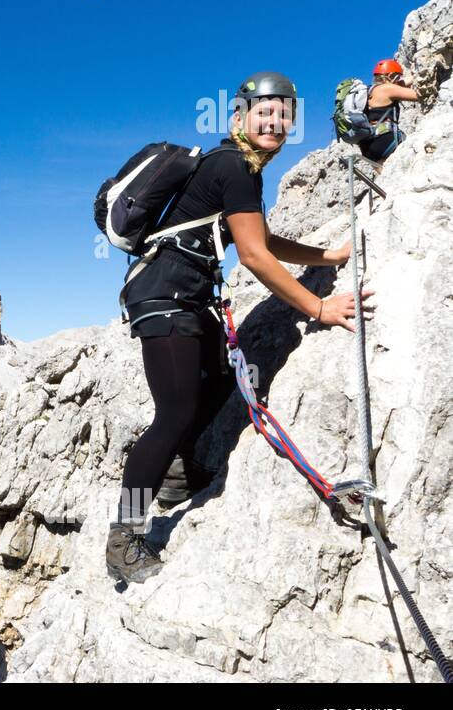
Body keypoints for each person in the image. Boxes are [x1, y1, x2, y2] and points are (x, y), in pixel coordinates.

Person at [106, 71, 376, 585]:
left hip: (185, 297)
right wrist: (318, 308)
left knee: (232, 373)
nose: (274, 120)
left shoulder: (237, 169)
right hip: (166, 298)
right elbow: (252, 255)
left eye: (283, 114)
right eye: (264, 112)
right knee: (173, 412)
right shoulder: (233, 164)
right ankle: (126, 537)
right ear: (240, 118)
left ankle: (177, 474)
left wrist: (329, 254)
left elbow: (261, 238)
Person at [359, 58, 419, 163]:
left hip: (367, 148)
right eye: (398, 77)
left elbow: (402, 83)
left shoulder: (370, 91)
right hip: (385, 141)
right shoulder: (388, 89)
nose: (398, 80)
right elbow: (419, 95)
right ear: (390, 76)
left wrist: (416, 76)